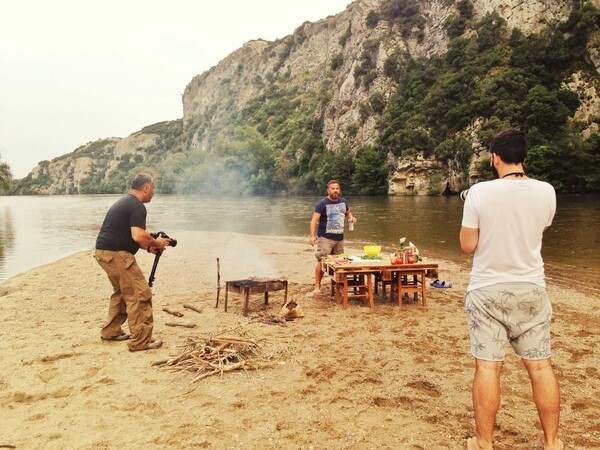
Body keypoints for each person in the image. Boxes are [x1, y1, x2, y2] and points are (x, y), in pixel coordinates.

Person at [459, 129, 563, 450]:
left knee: (488, 366)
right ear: (524, 156)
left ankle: (484, 443)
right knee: (541, 366)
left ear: (495, 158)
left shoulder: (479, 193)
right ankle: (551, 442)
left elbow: (467, 245)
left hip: (488, 290)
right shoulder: (547, 191)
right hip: (531, 289)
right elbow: (540, 228)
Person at [94, 173, 172, 352]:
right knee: (140, 294)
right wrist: (157, 242)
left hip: (104, 253)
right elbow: (138, 235)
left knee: (122, 292)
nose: (154, 192)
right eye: (153, 188)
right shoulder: (137, 206)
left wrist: (148, 247)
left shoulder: (126, 201)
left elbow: (129, 236)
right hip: (116, 255)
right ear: (145, 188)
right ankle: (140, 342)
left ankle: (111, 332)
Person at [309, 179, 356, 296]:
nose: (335, 190)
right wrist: (312, 236)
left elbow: (348, 213)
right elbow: (314, 220)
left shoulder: (343, 202)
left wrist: (352, 218)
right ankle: (317, 287)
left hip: (339, 238)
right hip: (325, 238)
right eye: (333, 188)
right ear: (328, 190)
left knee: (339, 263)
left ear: (339, 190)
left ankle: (337, 287)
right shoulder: (322, 203)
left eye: (337, 188)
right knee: (321, 261)